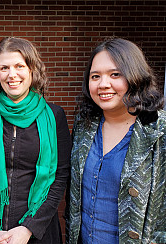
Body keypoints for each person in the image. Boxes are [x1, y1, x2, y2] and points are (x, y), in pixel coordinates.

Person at [0, 37, 72, 244]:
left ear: (32, 70)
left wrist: (28, 228)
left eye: (19, 66)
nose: (12, 75)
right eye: (4, 68)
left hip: (37, 232)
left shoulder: (54, 116)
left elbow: (60, 176)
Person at [65, 37, 166, 243]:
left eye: (115, 74)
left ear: (135, 76)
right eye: (95, 76)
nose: (103, 84)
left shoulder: (158, 129)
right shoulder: (85, 125)